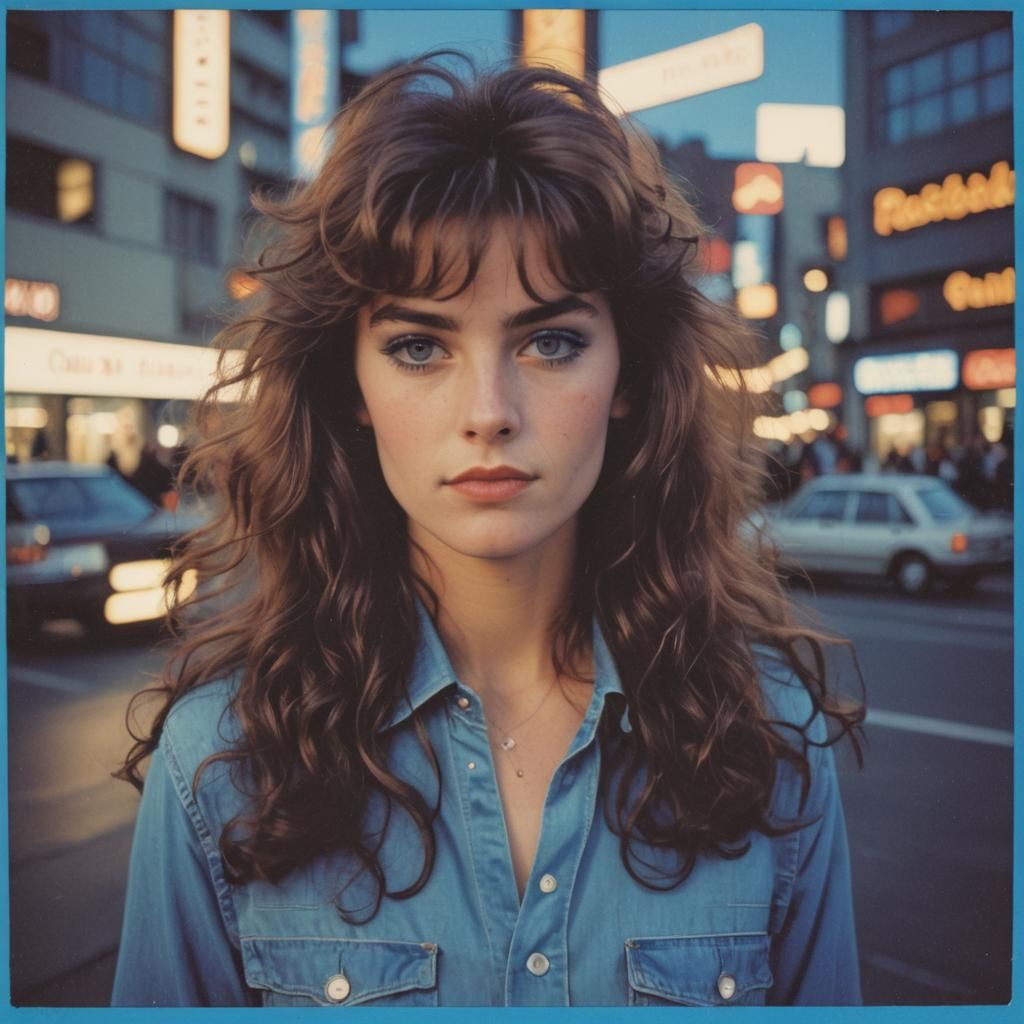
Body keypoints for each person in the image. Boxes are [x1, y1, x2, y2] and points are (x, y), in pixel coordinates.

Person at [112, 55, 863, 1008]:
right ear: (352, 389)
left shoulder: (767, 738)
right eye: (419, 346)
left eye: (551, 341)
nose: (489, 411)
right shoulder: (222, 760)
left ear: (629, 377)